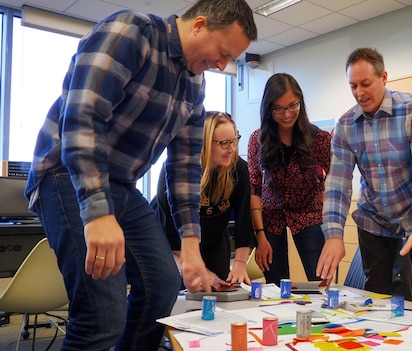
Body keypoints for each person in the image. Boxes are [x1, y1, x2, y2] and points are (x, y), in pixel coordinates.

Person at [23, 0, 257, 349]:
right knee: (103, 314)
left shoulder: (195, 86)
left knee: (162, 287)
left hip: (122, 185)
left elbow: (184, 168)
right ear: (199, 25)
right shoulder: (132, 33)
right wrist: (98, 212)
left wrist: (190, 246)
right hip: (66, 174)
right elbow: (82, 118)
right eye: (222, 52)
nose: (222, 65)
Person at [316, 47, 412, 308]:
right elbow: (337, 185)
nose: (359, 93)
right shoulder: (345, 126)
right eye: (353, 85)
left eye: (365, 84)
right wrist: (333, 234)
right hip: (374, 218)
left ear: (384, 77)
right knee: (376, 292)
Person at [151, 111, 254, 286]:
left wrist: (239, 264)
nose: (232, 149)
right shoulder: (177, 169)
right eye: (224, 143)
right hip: (174, 247)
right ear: (204, 144)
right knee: (186, 292)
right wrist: (202, 272)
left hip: (214, 242)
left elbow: (244, 221)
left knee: (218, 293)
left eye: (234, 140)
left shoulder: (239, 169)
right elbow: (171, 235)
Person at [247, 73, 331, 285]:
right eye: (278, 109)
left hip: (309, 214)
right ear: (268, 109)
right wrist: (260, 236)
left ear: (300, 102)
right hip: (270, 219)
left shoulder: (319, 139)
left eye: (293, 106)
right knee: (276, 286)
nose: (286, 114)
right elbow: (254, 189)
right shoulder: (257, 140)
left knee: (320, 281)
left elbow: (336, 184)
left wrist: (332, 232)